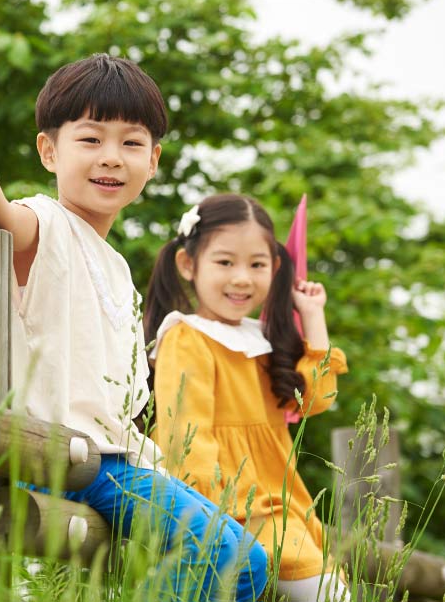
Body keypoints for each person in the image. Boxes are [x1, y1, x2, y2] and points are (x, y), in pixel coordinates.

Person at [0, 53, 267, 602]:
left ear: (153, 161)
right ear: (49, 150)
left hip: (112, 459)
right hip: (63, 454)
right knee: (235, 557)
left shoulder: (117, 266)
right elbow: (2, 223)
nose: (111, 158)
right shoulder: (45, 221)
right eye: (91, 139)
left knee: (247, 553)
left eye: (131, 144)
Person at [143, 193, 351, 602]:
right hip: (235, 509)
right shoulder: (187, 336)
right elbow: (186, 439)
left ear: (275, 269)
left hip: (286, 507)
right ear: (188, 264)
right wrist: (212, 517)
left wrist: (313, 315)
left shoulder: (261, 340)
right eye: (224, 262)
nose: (242, 278)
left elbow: (315, 400)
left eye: (256, 265)